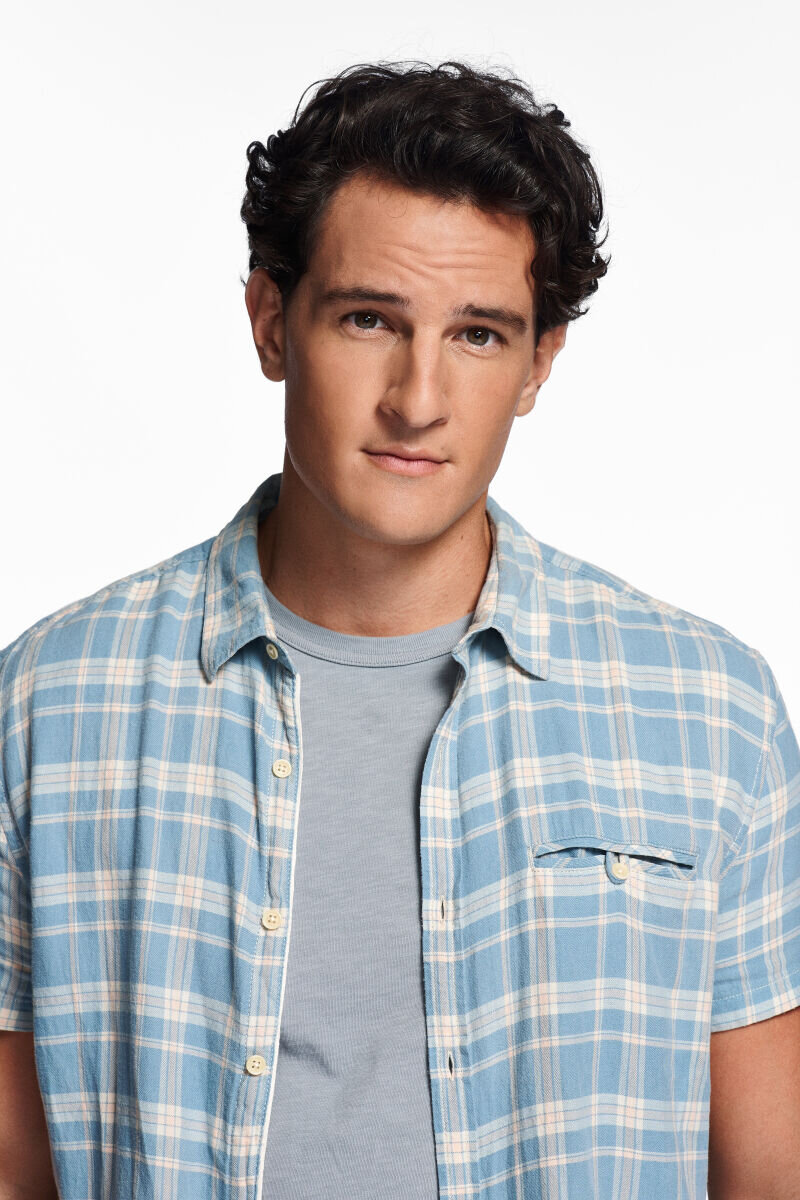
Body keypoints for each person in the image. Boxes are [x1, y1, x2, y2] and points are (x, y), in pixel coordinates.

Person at [1, 58, 798, 1200]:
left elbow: (769, 1176)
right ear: (271, 323)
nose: (417, 399)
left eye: (478, 335)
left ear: (538, 363)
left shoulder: (709, 713)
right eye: (368, 319)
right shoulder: (51, 704)